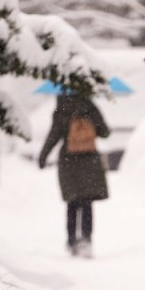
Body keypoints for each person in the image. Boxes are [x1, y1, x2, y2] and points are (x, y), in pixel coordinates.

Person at [39, 93, 110, 258]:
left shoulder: (62, 108)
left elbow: (53, 135)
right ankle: (86, 240)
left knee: (72, 203)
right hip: (89, 161)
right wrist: (91, 115)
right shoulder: (89, 106)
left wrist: (43, 156)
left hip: (69, 161)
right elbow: (105, 132)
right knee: (86, 203)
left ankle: (72, 241)